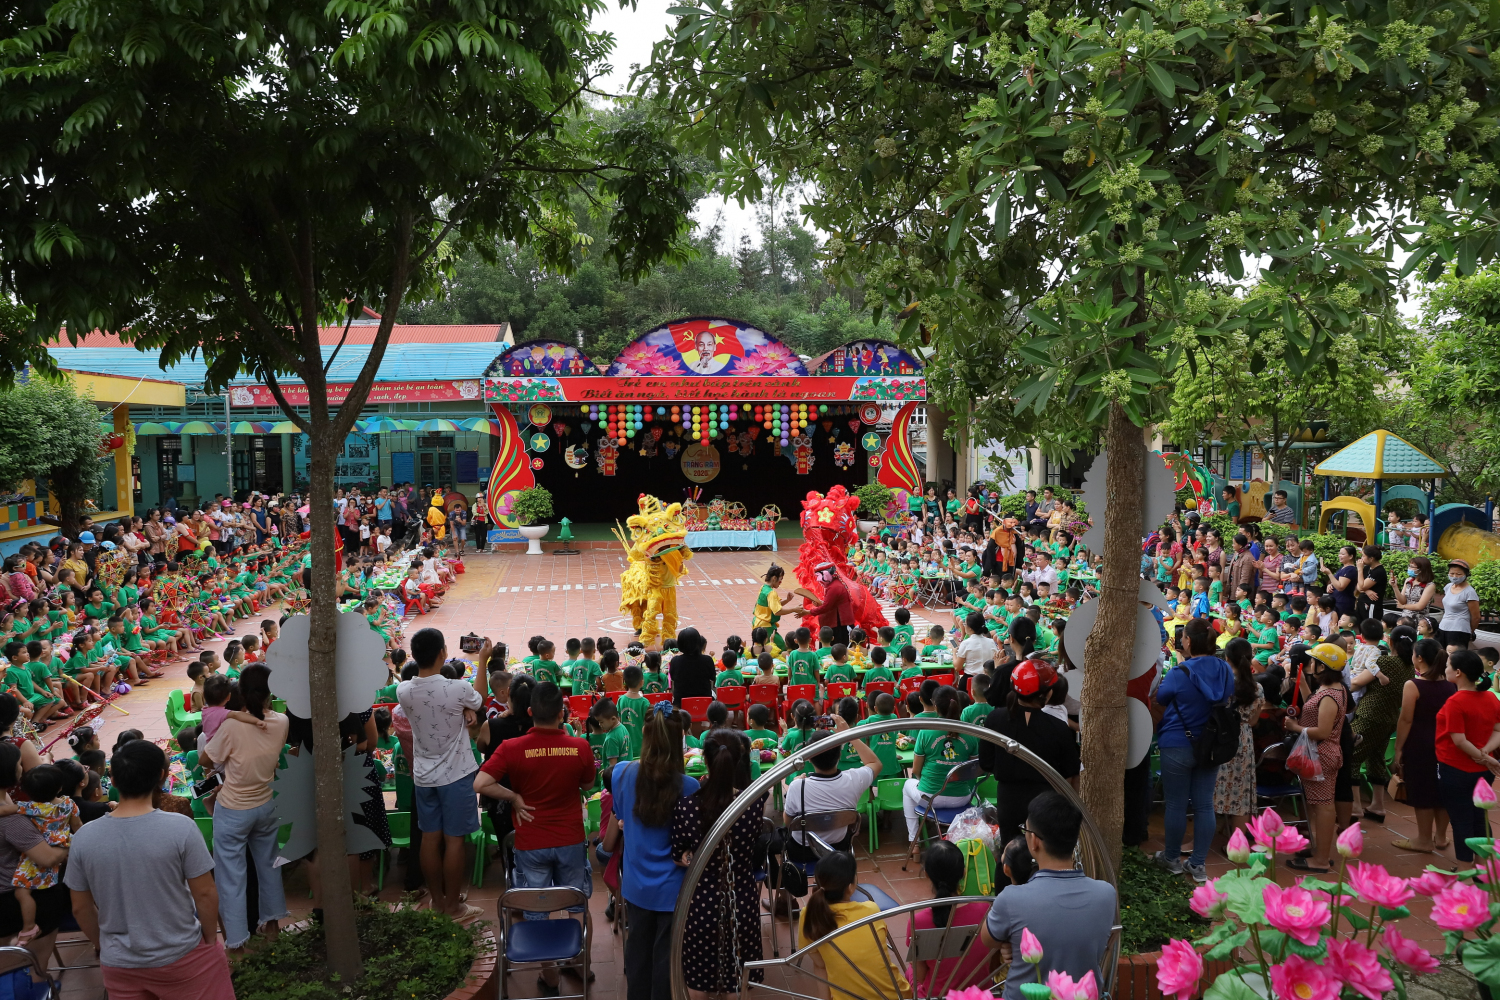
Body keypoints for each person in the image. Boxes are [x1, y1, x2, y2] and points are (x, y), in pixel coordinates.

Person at [66, 740, 230, 999]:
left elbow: (80, 907)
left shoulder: (84, 838)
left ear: (113, 780)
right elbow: (205, 893)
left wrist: (105, 946)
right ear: (162, 776)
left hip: (119, 964)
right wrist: (210, 941)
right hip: (183, 954)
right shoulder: (181, 828)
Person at [473, 681, 595, 992]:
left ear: (530, 712)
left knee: (537, 907)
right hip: (570, 838)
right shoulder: (579, 747)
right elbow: (586, 784)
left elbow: (481, 783)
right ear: (561, 713)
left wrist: (514, 797)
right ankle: (580, 964)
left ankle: (550, 975)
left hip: (530, 842)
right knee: (576, 903)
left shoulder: (511, 748)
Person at [980, 792, 1116, 1000]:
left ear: (1034, 841)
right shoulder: (1106, 894)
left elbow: (987, 938)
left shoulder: (1011, 899)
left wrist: (1010, 943)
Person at [606, 706, 699, 1000]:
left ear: (645, 733)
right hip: (674, 890)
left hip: (636, 886)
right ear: (680, 738)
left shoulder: (621, 774)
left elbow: (619, 820)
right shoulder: (689, 786)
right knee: (666, 964)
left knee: (637, 957)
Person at [396, 628, 487, 923]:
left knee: (429, 839)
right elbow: (480, 699)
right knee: (455, 840)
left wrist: (464, 711)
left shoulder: (403, 690)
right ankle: (453, 907)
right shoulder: (457, 688)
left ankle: (437, 902)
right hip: (457, 776)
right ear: (442, 653)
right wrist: (482, 661)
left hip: (423, 777)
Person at [669, 729, 768, 997]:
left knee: (698, 980)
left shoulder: (686, 807)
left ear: (705, 759)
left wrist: (691, 856)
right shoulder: (754, 804)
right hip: (742, 899)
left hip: (701, 902)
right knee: (739, 979)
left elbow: (679, 855)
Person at [200, 663, 289, 950]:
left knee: (231, 878)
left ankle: (237, 944)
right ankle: (273, 927)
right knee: (269, 866)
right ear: (270, 692)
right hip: (265, 803)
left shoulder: (231, 726)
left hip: (233, 808)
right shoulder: (281, 721)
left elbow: (206, 759)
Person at [1152, 618, 1234, 882]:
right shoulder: (1224, 669)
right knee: (1204, 805)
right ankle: (1198, 864)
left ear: (1187, 641)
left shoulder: (1180, 672)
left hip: (1177, 741)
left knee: (1176, 804)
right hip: (1211, 745)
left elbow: (1162, 697)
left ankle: (1172, 859)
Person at [978, 659, 1079, 843]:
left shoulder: (994, 719)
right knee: (1043, 849)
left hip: (1008, 799)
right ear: (1047, 693)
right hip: (1045, 802)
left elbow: (986, 762)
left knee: (1010, 849)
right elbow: (1070, 774)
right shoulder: (1058, 727)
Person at [798, 851, 910, 1000]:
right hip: (896, 995)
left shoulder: (808, 915)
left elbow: (820, 965)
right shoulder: (871, 910)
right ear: (850, 887)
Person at [1281, 643, 1350, 873]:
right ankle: (1318, 850)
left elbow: (1322, 731)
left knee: (1323, 806)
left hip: (1322, 754)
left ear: (1323, 667)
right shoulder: (1330, 689)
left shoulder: (1330, 695)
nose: (1311, 665)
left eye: (1314, 662)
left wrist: (1295, 727)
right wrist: (1302, 685)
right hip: (1319, 754)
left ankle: (1321, 859)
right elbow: (1314, 705)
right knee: (1318, 804)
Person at [781, 719, 882, 860]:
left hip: (802, 852)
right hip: (838, 849)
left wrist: (795, 783)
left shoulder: (798, 786)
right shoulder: (854, 779)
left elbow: (788, 822)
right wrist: (850, 734)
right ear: (839, 755)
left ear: (809, 759)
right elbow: (875, 763)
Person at [1435, 649, 1500, 864]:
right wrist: (1485, 754)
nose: (1445, 669)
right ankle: (1483, 867)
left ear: (1458, 672)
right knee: (1480, 818)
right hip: (1483, 770)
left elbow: (1459, 741)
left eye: (1448, 666)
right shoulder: (1490, 697)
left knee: (1461, 820)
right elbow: (1498, 730)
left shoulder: (1456, 701)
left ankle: (1465, 870)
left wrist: (1484, 757)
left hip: (1456, 769)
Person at [1393, 638, 1455, 852]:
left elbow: (1406, 720)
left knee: (1422, 790)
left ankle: (1424, 839)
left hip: (1420, 744)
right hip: (1446, 742)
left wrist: (1398, 749)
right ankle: (1441, 837)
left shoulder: (1414, 685)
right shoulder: (1451, 683)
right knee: (1441, 790)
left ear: (1419, 658)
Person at [1350, 624, 1416, 824]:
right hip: (1389, 718)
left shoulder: (1383, 662)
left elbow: (1357, 683)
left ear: (1390, 641)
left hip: (1369, 715)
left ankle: (1354, 808)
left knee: (1351, 756)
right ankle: (1377, 806)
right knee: (1376, 758)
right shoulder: (1410, 667)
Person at [903, 685, 979, 858]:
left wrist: (927, 781)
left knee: (907, 786)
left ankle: (914, 843)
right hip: (961, 798)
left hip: (930, 797)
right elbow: (974, 770)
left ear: (935, 706)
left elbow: (916, 770)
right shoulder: (970, 732)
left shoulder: (926, 732)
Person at [905, 839, 990, 995]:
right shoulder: (986, 911)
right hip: (980, 995)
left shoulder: (919, 921)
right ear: (964, 872)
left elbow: (920, 976)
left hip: (936, 996)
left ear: (926, 874)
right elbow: (993, 963)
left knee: (910, 970)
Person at [1211, 638, 1265, 837]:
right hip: (1243, 740)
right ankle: (1237, 842)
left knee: (1212, 789)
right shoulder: (1257, 688)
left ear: (1227, 658)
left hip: (1220, 738)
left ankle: (1207, 837)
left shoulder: (1220, 684)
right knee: (1241, 793)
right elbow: (1253, 721)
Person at [1439, 559, 1481, 651]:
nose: (1454, 576)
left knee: (1455, 657)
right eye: (1452, 573)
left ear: (1466, 575)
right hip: (1442, 627)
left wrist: (1470, 631)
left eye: (1458, 574)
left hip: (1459, 630)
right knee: (1441, 655)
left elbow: (1476, 617)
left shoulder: (1469, 592)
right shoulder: (1448, 587)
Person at [668, 627, 717, 705]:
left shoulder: (675, 661)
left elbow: (673, 678)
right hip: (704, 702)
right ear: (698, 643)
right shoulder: (707, 660)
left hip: (681, 704)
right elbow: (713, 678)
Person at [952, 612, 996, 688]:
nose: (964, 626)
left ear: (970, 628)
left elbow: (957, 667)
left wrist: (954, 652)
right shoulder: (991, 642)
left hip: (970, 680)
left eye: (965, 624)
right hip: (987, 681)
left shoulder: (966, 643)